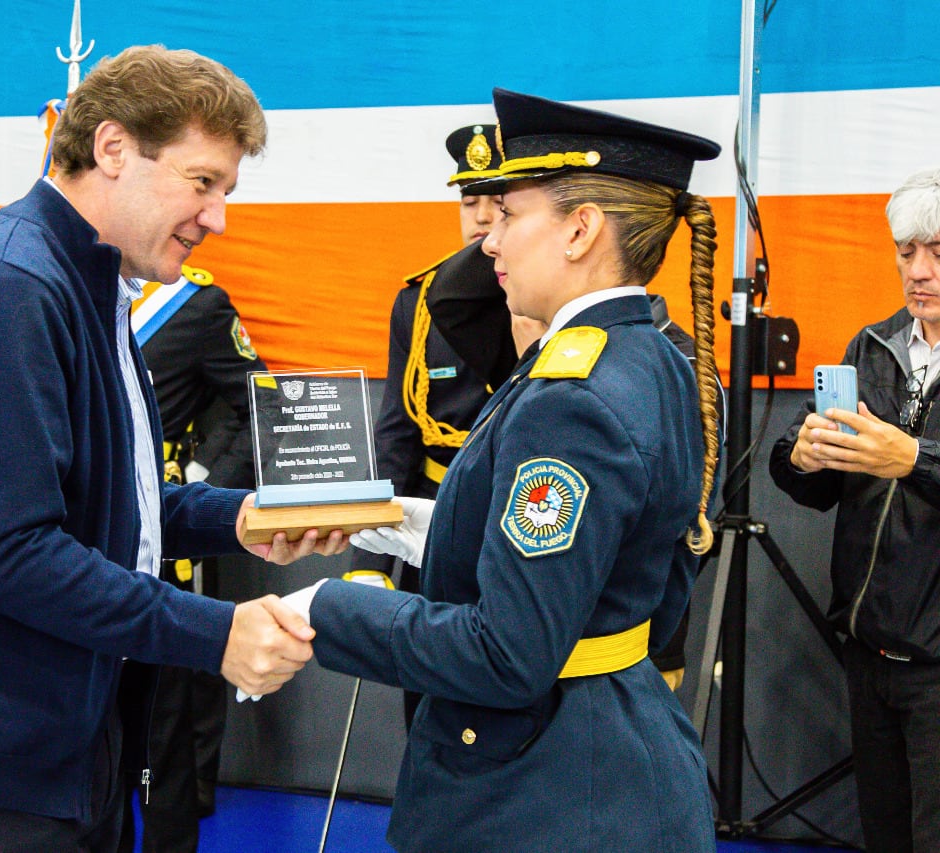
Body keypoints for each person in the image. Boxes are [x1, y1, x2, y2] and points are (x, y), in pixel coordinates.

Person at [0, 45, 344, 853]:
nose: (218, 216)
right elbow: (8, 551)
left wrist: (246, 516)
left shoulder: (86, 281)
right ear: (113, 149)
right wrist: (216, 632)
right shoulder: (13, 288)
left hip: (59, 724)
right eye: (203, 182)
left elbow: (109, 499)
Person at [291, 90, 724, 850]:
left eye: (512, 214)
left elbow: (506, 653)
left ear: (581, 229)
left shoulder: (574, 397)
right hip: (609, 750)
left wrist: (325, 610)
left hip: (546, 786)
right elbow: (600, 559)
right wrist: (392, 524)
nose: (489, 239)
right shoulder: (650, 357)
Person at [769, 167, 940, 853]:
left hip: (937, 664)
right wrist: (800, 456)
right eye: (907, 252)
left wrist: (917, 460)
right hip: (868, 650)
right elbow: (814, 482)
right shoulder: (872, 346)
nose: (919, 270)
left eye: (938, 249)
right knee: (886, 835)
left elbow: (905, 463)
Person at [356, 124, 504, 726]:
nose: (481, 217)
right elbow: (396, 431)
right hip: (432, 518)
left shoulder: (552, 295)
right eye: (470, 201)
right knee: (427, 701)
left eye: (499, 200)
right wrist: (367, 556)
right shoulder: (421, 300)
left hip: (520, 514)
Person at [118, 263, 267, 851]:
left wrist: (209, 476)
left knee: (174, 687)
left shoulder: (198, 305)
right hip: (104, 515)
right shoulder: (91, 297)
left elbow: (255, 398)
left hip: (168, 509)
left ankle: (189, 791)